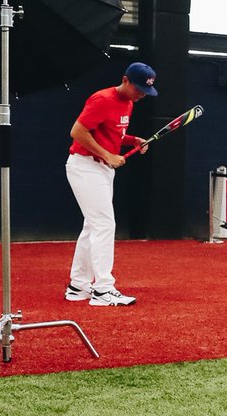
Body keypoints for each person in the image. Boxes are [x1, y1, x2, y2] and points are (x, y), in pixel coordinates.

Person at [64, 62, 157, 306]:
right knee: (104, 224)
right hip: (85, 166)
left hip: (101, 169)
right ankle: (103, 289)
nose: (141, 96)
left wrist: (132, 140)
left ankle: (78, 286)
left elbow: (110, 134)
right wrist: (107, 155)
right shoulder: (102, 99)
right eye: (138, 89)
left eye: (145, 92)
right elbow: (77, 132)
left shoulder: (128, 103)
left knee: (92, 226)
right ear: (125, 80)